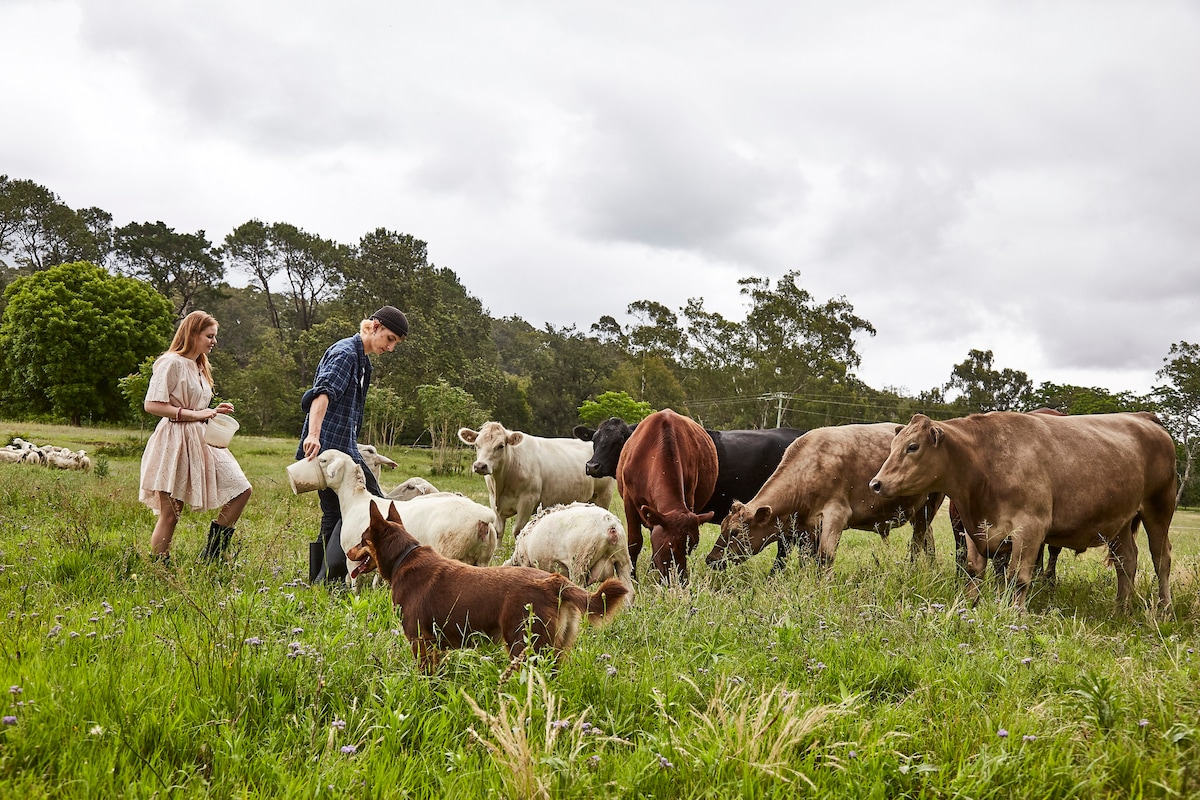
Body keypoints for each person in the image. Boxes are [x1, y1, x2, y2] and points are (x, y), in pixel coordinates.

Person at [298, 305, 408, 584]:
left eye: (396, 342)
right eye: (390, 339)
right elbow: (322, 394)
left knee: (347, 510)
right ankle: (330, 579)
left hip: (345, 448)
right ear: (374, 326)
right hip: (328, 450)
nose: (391, 348)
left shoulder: (363, 363)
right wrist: (313, 435)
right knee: (370, 507)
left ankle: (323, 579)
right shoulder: (345, 354)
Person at [139, 310, 252, 565]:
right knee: (171, 512)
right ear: (192, 334)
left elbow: (198, 408)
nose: (214, 342)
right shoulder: (171, 362)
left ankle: (212, 553)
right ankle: (159, 564)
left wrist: (213, 412)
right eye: (209, 336)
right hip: (174, 440)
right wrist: (194, 413)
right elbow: (152, 405)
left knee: (242, 488)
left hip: (202, 438)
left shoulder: (200, 366)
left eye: (215, 337)